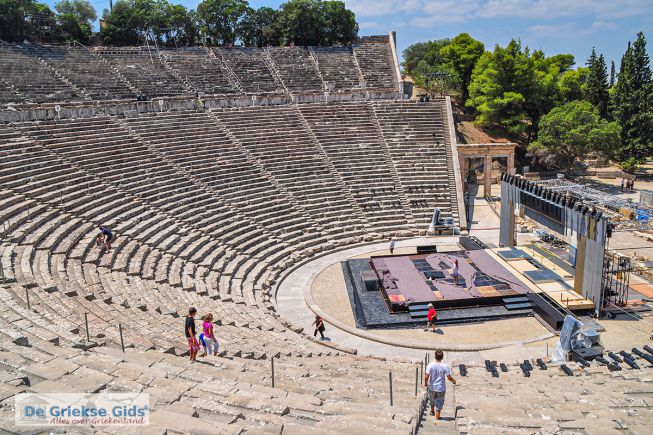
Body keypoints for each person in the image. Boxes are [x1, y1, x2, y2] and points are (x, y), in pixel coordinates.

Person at [425, 350, 456, 421]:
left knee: (432, 400)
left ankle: (432, 411)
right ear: (442, 357)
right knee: (439, 402)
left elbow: (426, 376)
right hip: (441, 388)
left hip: (432, 387)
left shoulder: (430, 365)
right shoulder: (445, 366)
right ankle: (437, 417)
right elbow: (449, 377)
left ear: (435, 356)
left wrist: (426, 383)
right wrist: (453, 381)